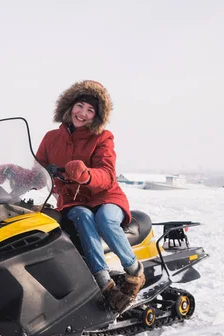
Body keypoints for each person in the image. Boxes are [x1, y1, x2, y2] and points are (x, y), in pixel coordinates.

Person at [34, 80, 145, 315]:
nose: (83, 114)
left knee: (105, 219)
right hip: (74, 201)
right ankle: (105, 284)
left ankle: (135, 272)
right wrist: (13, 174)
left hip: (106, 196)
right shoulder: (51, 138)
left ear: (97, 116)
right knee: (82, 216)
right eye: (80, 106)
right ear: (69, 106)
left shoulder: (103, 137)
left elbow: (107, 174)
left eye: (90, 110)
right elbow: (38, 172)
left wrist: (85, 175)